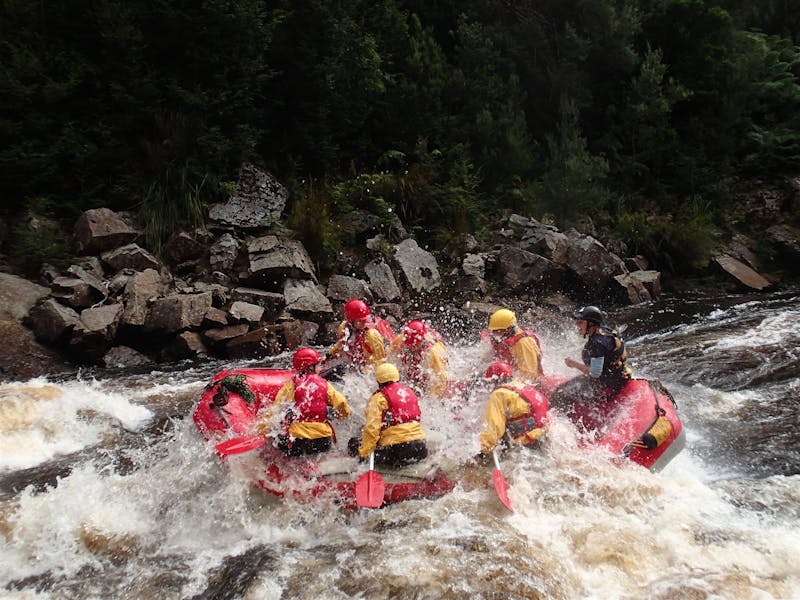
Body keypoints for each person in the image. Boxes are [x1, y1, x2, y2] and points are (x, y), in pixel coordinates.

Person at [255, 347, 352, 456]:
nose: (320, 368)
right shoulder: (325, 384)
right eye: (318, 365)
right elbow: (342, 403)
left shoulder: (292, 385)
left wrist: (260, 430)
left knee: (277, 439)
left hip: (298, 440)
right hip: (322, 440)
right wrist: (341, 415)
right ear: (310, 367)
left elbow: (275, 409)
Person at [347, 362, 428, 467]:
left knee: (354, 443)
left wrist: (364, 454)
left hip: (397, 451)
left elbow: (372, 430)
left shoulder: (378, 398)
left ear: (378, 381)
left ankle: (359, 469)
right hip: (421, 448)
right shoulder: (410, 393)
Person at [475, 361, 549, 461]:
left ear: (493, 380)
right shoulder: (524, 386)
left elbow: (494, 428)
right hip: (544, 436)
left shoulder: (499, 394)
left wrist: (482, 451)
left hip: (525, 443)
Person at [561, 305, 632, 403]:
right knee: (566, 386)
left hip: (609, 385)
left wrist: (573, 364)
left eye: (580, 322)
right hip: (619, 375)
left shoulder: (597, 343)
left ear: (591, 324)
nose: (577, 325)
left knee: (561, 394)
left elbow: (594, 373)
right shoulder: (606, 332)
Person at [327, 298, 392, 373]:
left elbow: (380, 361)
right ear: (350, 321)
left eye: (365, 320)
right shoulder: (344, 328)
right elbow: (341, 344)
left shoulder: (371, 336)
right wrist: (328, 356)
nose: (364, 322)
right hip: (359, 362)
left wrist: (366, 370)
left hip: (375, 359)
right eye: (360, 321)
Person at [388, 319, 449, 398]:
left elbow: (439, 383)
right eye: (408, 345)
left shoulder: (433, 352)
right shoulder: (402, 339)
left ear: (423, 340)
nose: (411, 347)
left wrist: (430, 399)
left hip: (434, 367)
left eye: (415, 345)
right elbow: (389, 359)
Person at [482, 308, 543, 382]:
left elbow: (529, 376)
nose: (493, 333)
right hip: (507, 373)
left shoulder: (523, 343)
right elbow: (488, 358)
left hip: (523, 381)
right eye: (493, 330)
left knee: (499, 368)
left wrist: (507, 377)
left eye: (498, 330)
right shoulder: (500, 337)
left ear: (508, 329)